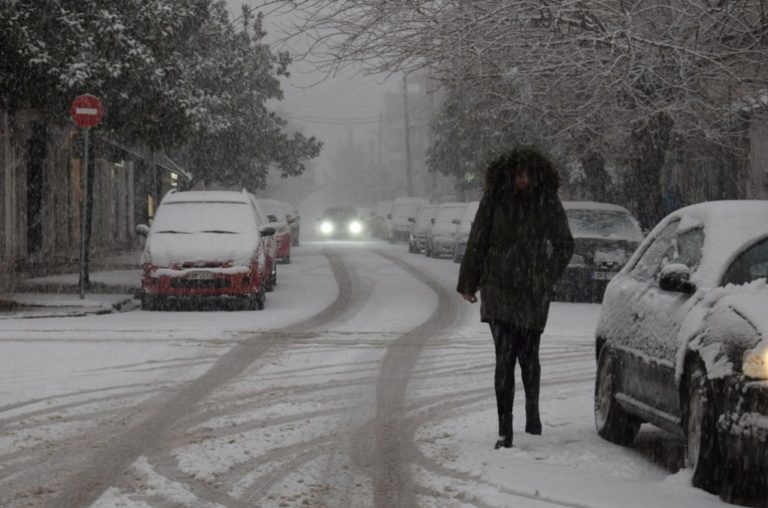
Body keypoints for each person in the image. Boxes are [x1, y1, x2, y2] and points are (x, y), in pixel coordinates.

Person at [457, 147, 574, 449]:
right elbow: (478, 240)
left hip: (532, 292)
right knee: (504, 358)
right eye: (519, 174)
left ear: (537, 176)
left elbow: (564, 244)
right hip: (498, 289)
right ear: (510, 175)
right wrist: (469, 282)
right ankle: (504, 429)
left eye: (528, 175)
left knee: (529, 357)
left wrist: (545, 275)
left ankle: (532, 412)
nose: (524, 180)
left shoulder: (547, 201)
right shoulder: (495, 199)